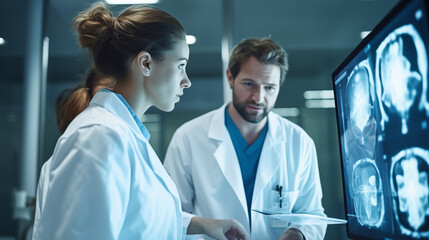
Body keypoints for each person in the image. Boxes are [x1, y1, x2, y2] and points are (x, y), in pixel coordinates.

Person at [32, 3, 249, 240]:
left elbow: (138, 216)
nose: (186, 81)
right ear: (145, 63)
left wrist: (201, 224)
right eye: (181, 66)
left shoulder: (123, 133)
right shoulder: (100, 136)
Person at [164, 38, 327, 240]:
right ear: (230, 77)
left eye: (269, 88)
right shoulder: (188, 137)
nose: (258, 98)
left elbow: (312, 214)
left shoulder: (300, 142)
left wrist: (298, 233)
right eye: (249, 84)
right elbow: (170, 215)